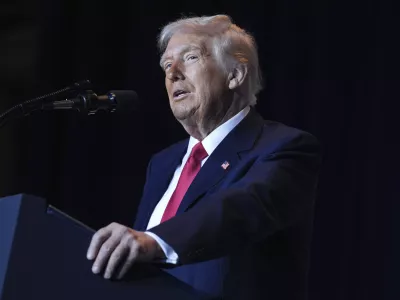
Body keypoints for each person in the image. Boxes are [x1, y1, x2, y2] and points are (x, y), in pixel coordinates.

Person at [86, 15, 321, 300]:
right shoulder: (162, 164)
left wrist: (156, 241)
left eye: (191, 57)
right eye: (167, 65)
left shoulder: (284, 147)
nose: (173, 74)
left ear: (235, 75)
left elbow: (242, 206)